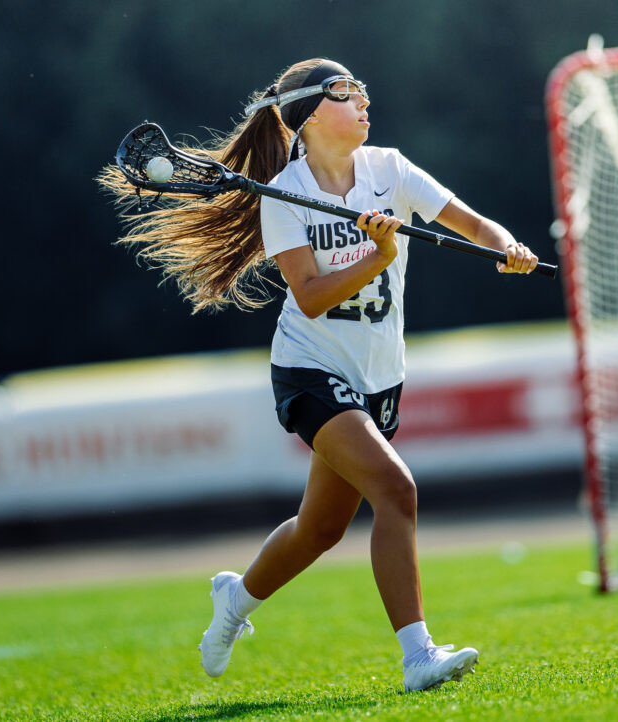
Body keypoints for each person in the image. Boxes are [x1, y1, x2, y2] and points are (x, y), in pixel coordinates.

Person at [101, 58, 538, 692]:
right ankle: (419, 655)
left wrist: (507, 247)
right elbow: (309, 296)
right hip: (309, 367)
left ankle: (235, 600)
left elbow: (472, 224)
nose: (362, 102)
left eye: (362, 90)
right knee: (397, 491)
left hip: (380, 375)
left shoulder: (390, 169)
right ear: (309, 114)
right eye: (344, 93)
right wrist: (381, 254)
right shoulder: (285, 197)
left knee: (320, 529)